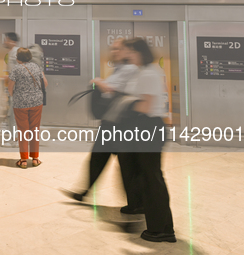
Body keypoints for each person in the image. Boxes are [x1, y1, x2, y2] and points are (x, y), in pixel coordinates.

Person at [62, 38, 138, 202]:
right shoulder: (118, 69)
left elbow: (118, 92)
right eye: (112, 49)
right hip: (110, 123)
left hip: (121, 125)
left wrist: (99, 83)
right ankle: (84, 191)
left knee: (125, 166)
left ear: (126, 51)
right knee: (97, 158)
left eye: (118, 49)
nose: (114, 52)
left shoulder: (130, 69)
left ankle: (135, 203)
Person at [119, 38, 175, 243]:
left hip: (148, 127)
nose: (127, 56)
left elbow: (145, 105)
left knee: (152, 179)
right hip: (144, 127)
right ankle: (161, 226)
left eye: (130, 52)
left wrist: (123, 105)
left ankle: (162, 229)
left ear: (140, 53)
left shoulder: (149, 73)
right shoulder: (145, 71)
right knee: (148, 177)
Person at [8, 48, 47, 169]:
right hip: (36, 102)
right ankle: (35, 159)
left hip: (21, 104)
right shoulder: (36, 67)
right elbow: (45, 83)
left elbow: (10, 87)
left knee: (23, 131)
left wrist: (16, 96)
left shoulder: (16, 69)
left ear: (18, 58)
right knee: (35, 130)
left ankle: (24, 160)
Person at [2, 32, 19, 145]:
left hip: (17, 89)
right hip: (13, 88)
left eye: (7, 40)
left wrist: (8, 76)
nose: (5, 42)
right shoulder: (11, 52)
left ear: (12, 41)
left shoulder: (16, 52)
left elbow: (20, 69)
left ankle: (15, 140)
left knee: (13, 114)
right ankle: (14, 138)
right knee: (11, 114)